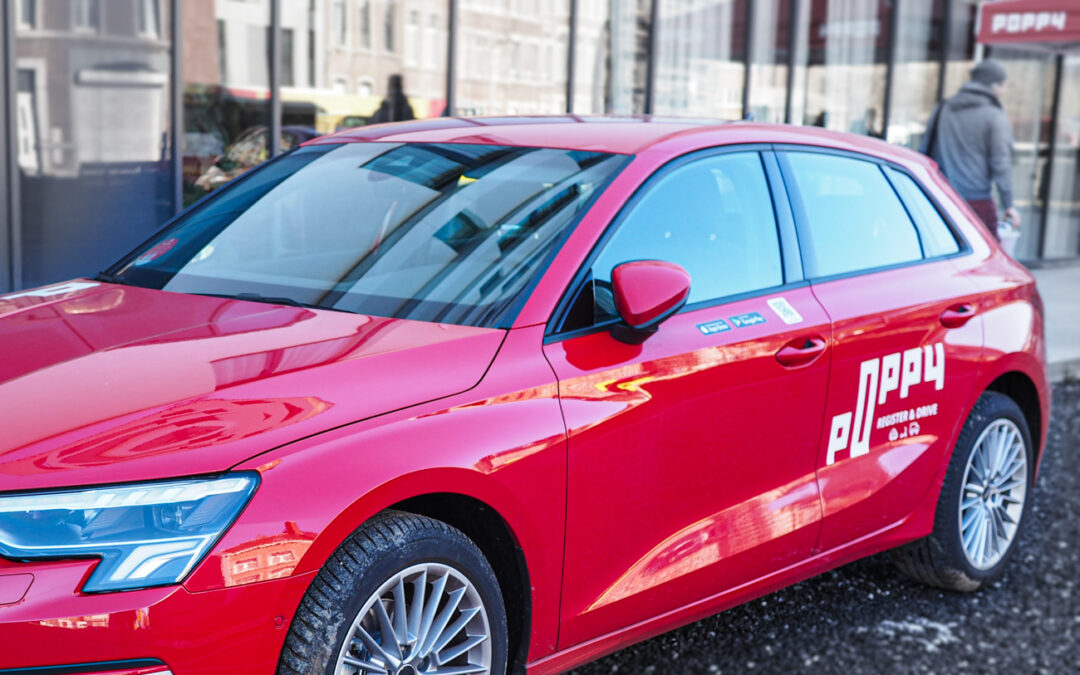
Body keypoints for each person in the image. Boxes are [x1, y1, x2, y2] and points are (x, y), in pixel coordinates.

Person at [921, 58, 1019, 239]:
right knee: (985, 260)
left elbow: (923, 150)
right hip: (977, 203)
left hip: (940, 196)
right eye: (1003, 85)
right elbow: (1001, 162)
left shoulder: (943, 107)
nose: (1003, 91)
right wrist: (1009, 204)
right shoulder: (995, 116)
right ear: (994, 85)